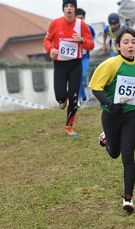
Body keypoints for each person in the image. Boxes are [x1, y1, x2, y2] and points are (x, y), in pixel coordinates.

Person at [89, 28, 135, 212]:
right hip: (111, 115)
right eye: (126, 42)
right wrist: (109, 104)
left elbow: (132, 85)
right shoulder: (110, 64)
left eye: (133, 42)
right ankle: (106, 138)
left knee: (128, 156)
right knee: (114, 153)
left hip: (130, 115)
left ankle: (128, 199)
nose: (130, 45)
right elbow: (96, 88)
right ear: (118, 46)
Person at [44, 0, 94, 137]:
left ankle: (69, 127)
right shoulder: (55, 23)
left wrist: (82, 40)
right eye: (66, 6)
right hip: (60, 64)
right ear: (63, 9)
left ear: (75, 9)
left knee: (74, 95)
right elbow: (47, 40)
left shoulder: (81, 25)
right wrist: (51, 49)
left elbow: (91, 45)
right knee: (60, 96)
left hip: (75, 64)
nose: (69, 9)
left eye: (72, 6)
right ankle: (62, 100)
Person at [75, 8, 95, 107]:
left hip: (85, 57)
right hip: (74, 57)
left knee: (82, 75)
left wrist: (86, 43)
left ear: (84, 18)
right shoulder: (72, 28)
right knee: (77, 77)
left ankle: (79, 98)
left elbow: (92, 39)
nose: (79, 20)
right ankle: (83, 96)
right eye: (77, 18)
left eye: (81, 18)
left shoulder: (88, 27)